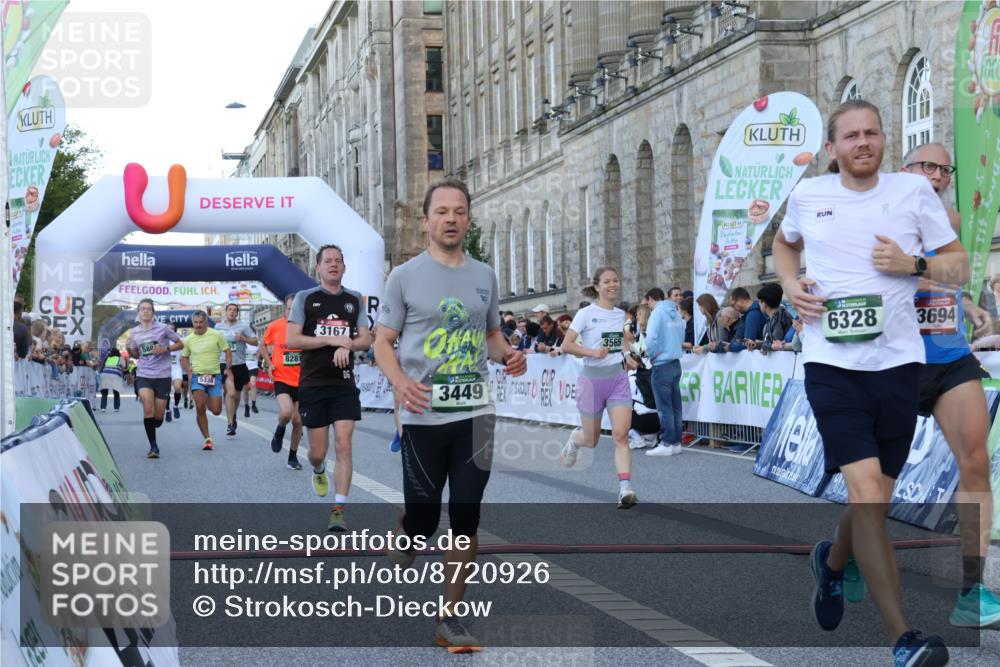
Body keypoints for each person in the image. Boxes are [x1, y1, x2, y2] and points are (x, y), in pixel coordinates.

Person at [773, 99, 965, 665]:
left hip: (899, 367)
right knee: (868, 496)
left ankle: (832, 563)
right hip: (832, 368)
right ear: (832, 147)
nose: (863, 142)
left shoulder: (913, 194)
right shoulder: (809, 195)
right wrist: (787, 284)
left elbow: (959, 267)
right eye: (851, 135)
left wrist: (915, 266)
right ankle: (903, 639)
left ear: (885, 140)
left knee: (874, 498)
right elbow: (785, 243)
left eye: (873, 133)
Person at [843, 142, 1000, 627]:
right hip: (893, 363)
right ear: (904, 172)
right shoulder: (876, 219)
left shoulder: (950, 222)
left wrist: (966, 307)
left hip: (949, 359)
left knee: (974, 461)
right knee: (876, 490)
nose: (936, 175)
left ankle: (972, 590)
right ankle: (842, 556)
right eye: (924, 166)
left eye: (943, 169)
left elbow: (948, 276)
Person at [374, 177, 527, 653]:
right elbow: (382, 342)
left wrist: (509, 355)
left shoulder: (484, 274)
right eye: (441, 211)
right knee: (423, 519)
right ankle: (409, 531)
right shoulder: (403, 276)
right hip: (423, 416)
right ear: (426, 220)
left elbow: (491, 335)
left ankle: (450, 619)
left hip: (475, 413)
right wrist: (400, 384)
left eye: (459, 211)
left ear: (468, 217)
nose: (451, 219)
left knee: (465, 515)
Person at [287, 244, 371, 533]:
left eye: (339, 261)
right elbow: (293, 340)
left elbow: (366, 339)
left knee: (344, 444)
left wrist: (348, 343)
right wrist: (331, 341)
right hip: (313, 383)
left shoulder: (354, 299)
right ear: (318, 268)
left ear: (344, 268)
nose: (334, 264)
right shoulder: (305, 299)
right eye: (328, 261)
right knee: (318, 453)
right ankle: (319, 469)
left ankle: (339, 508)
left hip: (344, 384)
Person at [559, 266, 639, 509]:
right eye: (607, 282)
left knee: (621, 435)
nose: (613, 285)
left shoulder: (620, 314)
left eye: (615, 280)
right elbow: (566, 345)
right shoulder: (586, 313)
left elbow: (621, 341)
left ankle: (625, 489)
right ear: (597, 286)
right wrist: (593, 352)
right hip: (592, 381)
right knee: (591, 439)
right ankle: (574, 439)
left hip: (617, 379)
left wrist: (627, 356)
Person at [126, 299, 183, 458]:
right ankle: (153, 446)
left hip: (163, 376)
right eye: (142, 309)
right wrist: (130, 351)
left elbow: (181, 344)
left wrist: (165, 348)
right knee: (148, 408)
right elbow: (137, 355)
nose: (145, 311)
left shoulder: (163, 329)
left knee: (158, 417)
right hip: (144, 374)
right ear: (138, 312)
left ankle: (157, 421)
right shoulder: (134, 332)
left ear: (153, 312)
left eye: (148, 309)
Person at [262, 294, 304, 470]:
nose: (292, 312)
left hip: (302, 380)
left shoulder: (305, 327)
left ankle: (292, 457)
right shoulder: (275, 326)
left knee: (298, 422)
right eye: (289, 308)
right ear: (284, 309)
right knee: (286, 413)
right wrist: (270, 363)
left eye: (295, 309)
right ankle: (279, 430)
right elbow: (263, 344)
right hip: (281, 378)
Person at [644, 285, 686, 457]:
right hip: (676, 361)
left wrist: (647, 354)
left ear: (651, 299)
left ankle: (668, 441)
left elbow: (651, 339)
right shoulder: (675, 312)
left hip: (662, 363)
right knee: (675, 405)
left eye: (647, 303)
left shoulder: (657, 313)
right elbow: (682, 333)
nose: (648, 306)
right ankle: (675, 442)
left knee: (664, 406)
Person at [181, 310, 232, 451]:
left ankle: (209, 400)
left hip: (215, 376)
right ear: (192, 323)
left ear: (206, 322)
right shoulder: (189, 339)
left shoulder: (216, 335)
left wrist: (228, 367)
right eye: (195, 323)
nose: (198, 325)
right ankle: (207, 438)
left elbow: (227, 350)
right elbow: (184, 357)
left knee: (216, 410)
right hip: (197, 376)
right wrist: (188, 371)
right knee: (200, 406)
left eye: (201, 322)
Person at [215, 303, 257, 437]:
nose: (232, 312)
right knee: (231, 393)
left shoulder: (243, 326)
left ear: (237, 313)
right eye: (230, 310)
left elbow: (256, 341)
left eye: (234, 310)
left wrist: (243, 338)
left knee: (237, 396)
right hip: (224, 364)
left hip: (239, 364)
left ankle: (233, 416)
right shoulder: (218, 327)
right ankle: (230, 424)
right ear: (225, 312)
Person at [758, 284, 793, 351]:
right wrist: (757, 344)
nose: (758, 304)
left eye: (759, 301)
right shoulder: (772, 317)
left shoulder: (780, 317)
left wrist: (764, 346)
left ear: (764, 304)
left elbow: (776, 342)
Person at [167, 323, 185, 423]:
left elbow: (184, 354)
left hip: (176, 368)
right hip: (164, 369)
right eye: (168, 328)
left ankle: (175, 406)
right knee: (166, 392)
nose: (169, 330)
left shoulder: (180, 340)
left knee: (177, 388)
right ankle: (167, 411)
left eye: (172, 328)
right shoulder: (161, 340)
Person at [243, 341, 260, 418]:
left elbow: (259, 353)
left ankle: (253, 405)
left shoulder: (257, 343)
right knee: (245, 389)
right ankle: (246, 406)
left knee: (253, 384)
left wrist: (258, 357)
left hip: (253, 367)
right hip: (244, 367)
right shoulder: (243, 342)